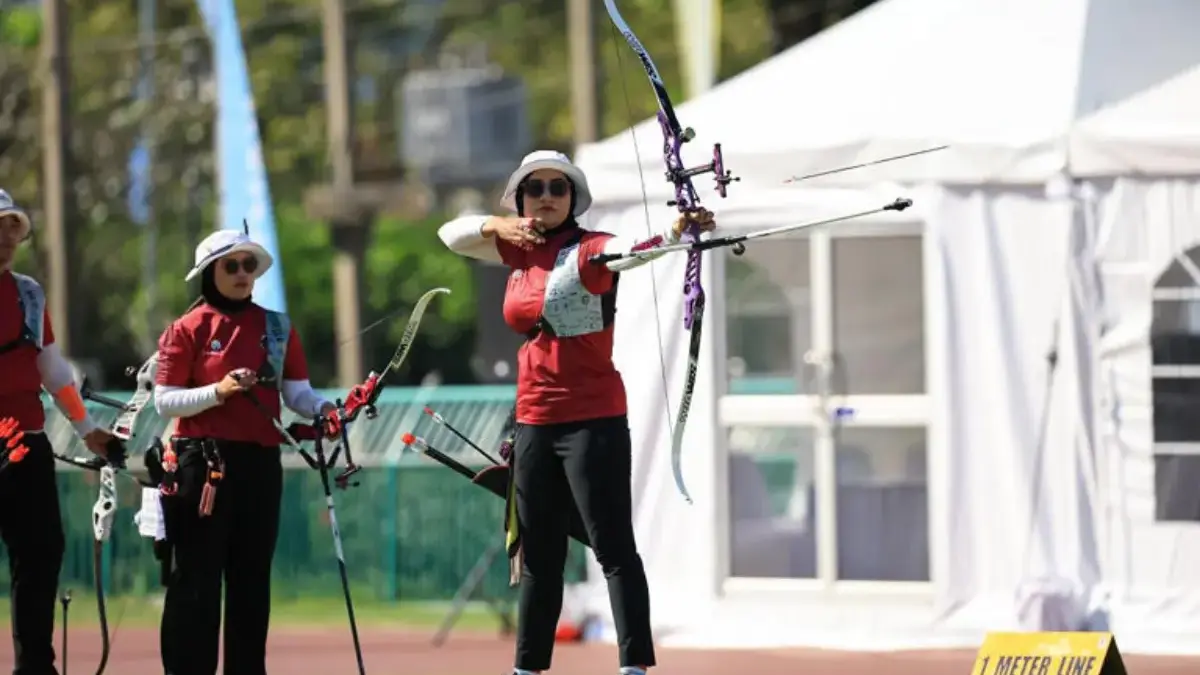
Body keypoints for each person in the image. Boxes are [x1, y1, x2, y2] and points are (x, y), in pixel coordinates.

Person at [436, 150, 717, 675]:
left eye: (557, 188)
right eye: (535, 188)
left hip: (593, 420)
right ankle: (528, 669)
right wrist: (498, 224)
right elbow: (450, 235)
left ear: (572, 199)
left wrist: (679, 226)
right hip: (534, 420)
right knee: (540, 557)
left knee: (612, 547)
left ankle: (633, 666)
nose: (546, 196)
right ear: (520, 200)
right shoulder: (517, 250)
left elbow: (636, 249)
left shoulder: (592, 250)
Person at [151, 229, 336, 675]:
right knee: (197, 579)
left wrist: (326, 408)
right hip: (203, 466)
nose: (240, 274)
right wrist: (219, 390)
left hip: (259, 465)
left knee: (251, 581)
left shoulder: (277, 328)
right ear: (209, 273)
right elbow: (165, 400)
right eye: (230, 266)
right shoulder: (187, 329)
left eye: (248, 265)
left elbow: (297, 394)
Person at [0, 188, 116, 674]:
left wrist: (88, 429)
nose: (6, 238)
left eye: (12, 228)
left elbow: (53, 370)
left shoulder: (28, 293)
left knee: (42, 550)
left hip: (26, 441)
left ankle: (35, 666)